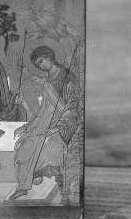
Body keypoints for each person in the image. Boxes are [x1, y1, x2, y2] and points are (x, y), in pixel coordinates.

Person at [7, 45, 79, 201]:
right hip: (46, 122)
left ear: (50, 57)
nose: (41, 65)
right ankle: (23, 186)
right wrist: (27, 126)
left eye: (42, 60)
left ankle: (44, 174)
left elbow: (73, 106)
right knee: (22, 143)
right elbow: (43, 111)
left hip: (65, 124)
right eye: (38, 64)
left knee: (46, 142)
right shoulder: (47, 82)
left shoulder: (68, 78)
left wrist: (57, 127)